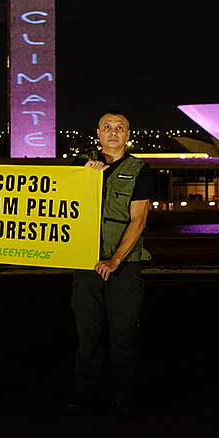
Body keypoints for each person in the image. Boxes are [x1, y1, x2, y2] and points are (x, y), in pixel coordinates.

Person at [69, 111, 153, 416]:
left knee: (123, 335)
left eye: (120, 128)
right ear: (98, 133)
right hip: (86, 263)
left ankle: (123, 399)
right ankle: (83, 398)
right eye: (107, 127)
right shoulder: (81, 165)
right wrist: (84, 176)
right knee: (88, 335)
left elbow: (138, 220)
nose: (113, 133)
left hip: (125, 265)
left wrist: (115, 259)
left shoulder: (140, 170)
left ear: (128, 134)